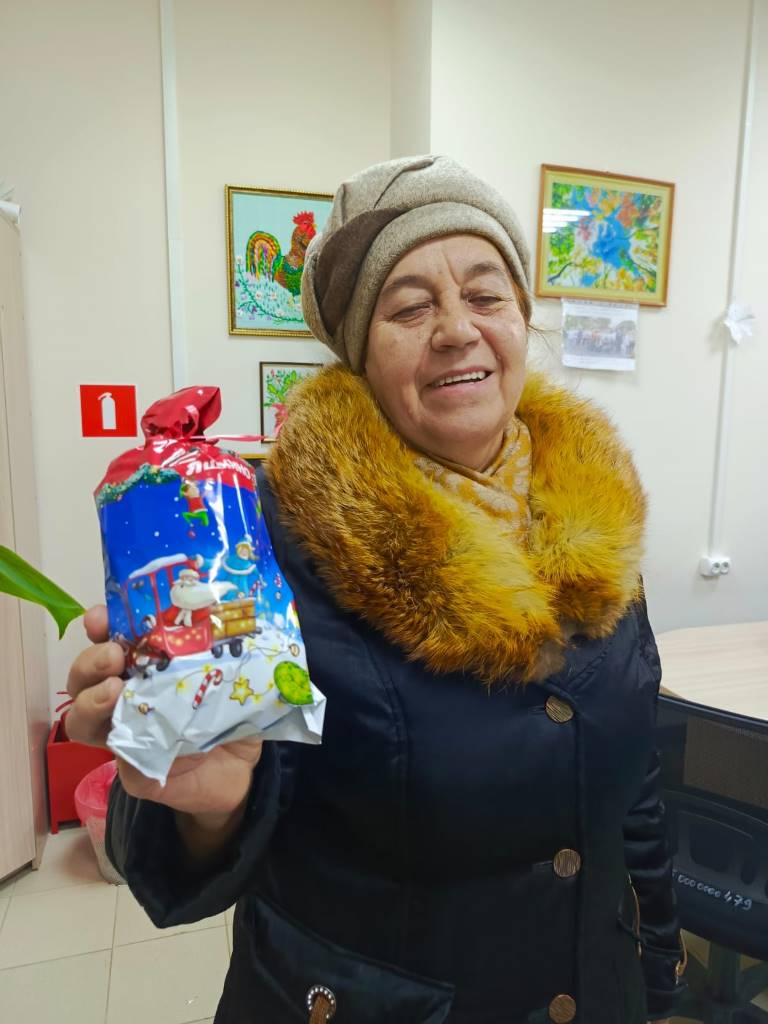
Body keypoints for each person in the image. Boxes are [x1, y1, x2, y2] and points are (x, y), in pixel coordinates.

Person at [66, 156, 686, 1024]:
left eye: (485, 294)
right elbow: (205, 818)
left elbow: (637, 786)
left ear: (521, 318)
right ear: (359, 353)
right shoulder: (265, 540)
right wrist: (208, 807)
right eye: (409, 307)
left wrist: (659, 974)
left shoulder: (599, 515)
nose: (457, 329)